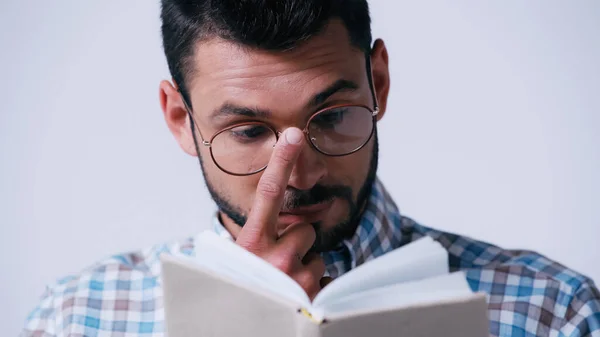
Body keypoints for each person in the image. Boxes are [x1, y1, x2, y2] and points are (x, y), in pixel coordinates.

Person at [22, 0, 600, 336]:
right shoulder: (74, 318)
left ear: (379, 84)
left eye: (331, 115)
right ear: (180, 118)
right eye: (247, 132)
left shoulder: (556, 313)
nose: (295, 174)